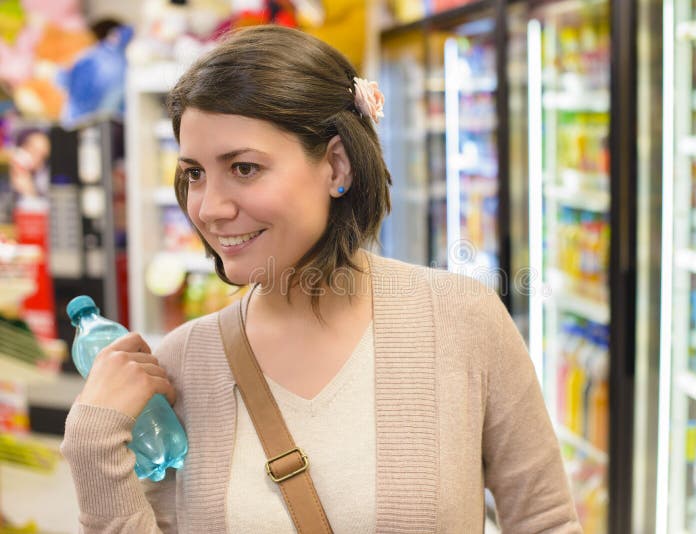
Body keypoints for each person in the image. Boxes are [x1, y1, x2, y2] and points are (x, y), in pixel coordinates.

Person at [61, 24, 581, 533]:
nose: (209, 208)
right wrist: (94, 444)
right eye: (194, 172)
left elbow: (545, 520)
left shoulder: (461, 319)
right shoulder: (183, 364)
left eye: (243, 168)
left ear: (336, 165)